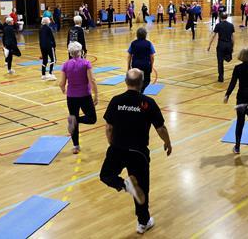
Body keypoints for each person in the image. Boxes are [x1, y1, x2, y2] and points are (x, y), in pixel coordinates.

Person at [99, 68, 172, 234]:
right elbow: (160, 128)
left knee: (106, 175)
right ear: (142, 83)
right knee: (143, 189)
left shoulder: (116, 101)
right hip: (138, 153)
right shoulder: (148, 103)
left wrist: (112, 143)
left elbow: (109, 127)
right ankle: (142, 223)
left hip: (117, 148)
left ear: (126, 82)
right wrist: (167, 142)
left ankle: (124, 185)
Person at [60, 41, 98, 154]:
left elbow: (61, 83)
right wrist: (96, 95)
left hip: (71, 97)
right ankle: (77, 120)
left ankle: (76, 146)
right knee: (92, 118)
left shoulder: (65, 65)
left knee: (73, 119)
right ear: (81, 52)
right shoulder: (86, 63)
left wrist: (63, 90)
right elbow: (92, 80)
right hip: (85, 96)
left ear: (70, 53)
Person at [207, 12, 235, 82]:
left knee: (220, 62)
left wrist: (209, 45)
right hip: (228, 45)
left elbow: (213, 36)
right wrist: (232, 46)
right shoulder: (231, 25)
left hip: (221, 45)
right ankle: (227, 57)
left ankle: (221, 77)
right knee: (228, 58)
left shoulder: (218, 25)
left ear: (220, 17)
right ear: (227, 17)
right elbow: (232, 37)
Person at [127, 28, 155, 93]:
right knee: (147, 80)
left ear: (137, 35)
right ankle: (141, 91)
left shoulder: (133, 43)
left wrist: (128, 67)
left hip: (135, 65)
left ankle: (138, 92)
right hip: (146, 65)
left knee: (136, 81)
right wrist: (151, 65)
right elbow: (152, 57)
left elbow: (129, 56)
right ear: (145, 35)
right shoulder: (149, 43)